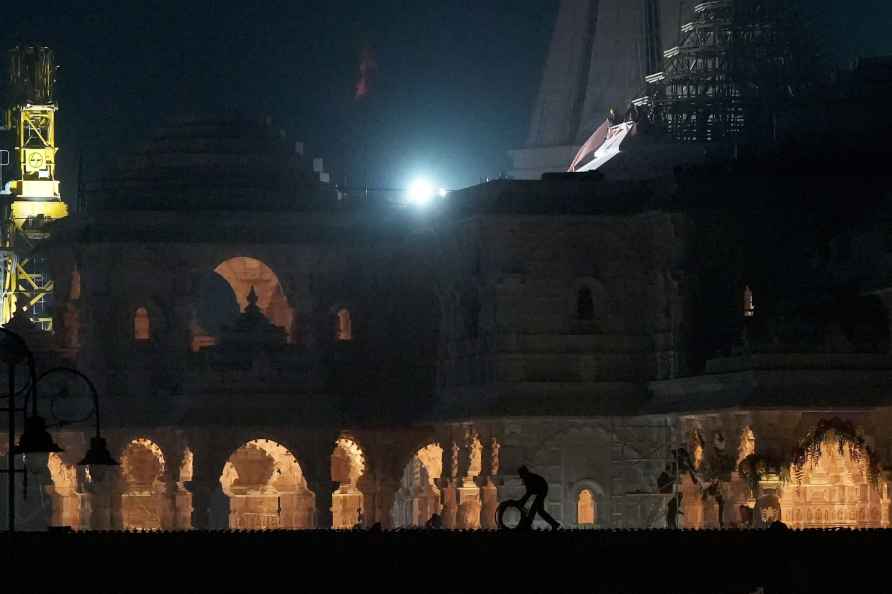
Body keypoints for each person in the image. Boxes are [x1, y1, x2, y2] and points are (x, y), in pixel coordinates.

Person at [517, 466, 560, 530]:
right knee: (539, 511)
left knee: (534, 509)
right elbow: (529, 493)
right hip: (541, 491)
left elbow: (529, 493)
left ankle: (528, 525)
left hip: (541, 491)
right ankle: (554, 524)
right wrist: (522, 502)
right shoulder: (529, 477)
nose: (521, 477)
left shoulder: (528, 478)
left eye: (521, 475)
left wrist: (522, 502)